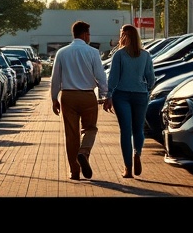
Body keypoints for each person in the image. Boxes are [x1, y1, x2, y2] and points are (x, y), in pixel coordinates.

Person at [50, 20, 109, 181]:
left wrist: (54, 98)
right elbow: (100, 77)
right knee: (90, 129)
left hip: (68, 96)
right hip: (88, 96)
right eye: (89, 34)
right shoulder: (92, 52)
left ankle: (74, 171)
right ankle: (84, 152)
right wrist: (105, 95)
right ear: (84, 34)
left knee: (71, 134)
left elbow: (55, 78)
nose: (89, 37)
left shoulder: (62, 52)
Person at [102, 24, 155, 178]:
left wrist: (108, 95)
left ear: (123, 36)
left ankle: (127, 169)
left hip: (121, 96)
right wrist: (147, 89)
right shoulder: (145, 55)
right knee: (138, 129)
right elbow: (151, 77)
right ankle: (137, 153)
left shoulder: (119, 55)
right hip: (140, 94)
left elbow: (113, 77)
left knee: (125, 131)